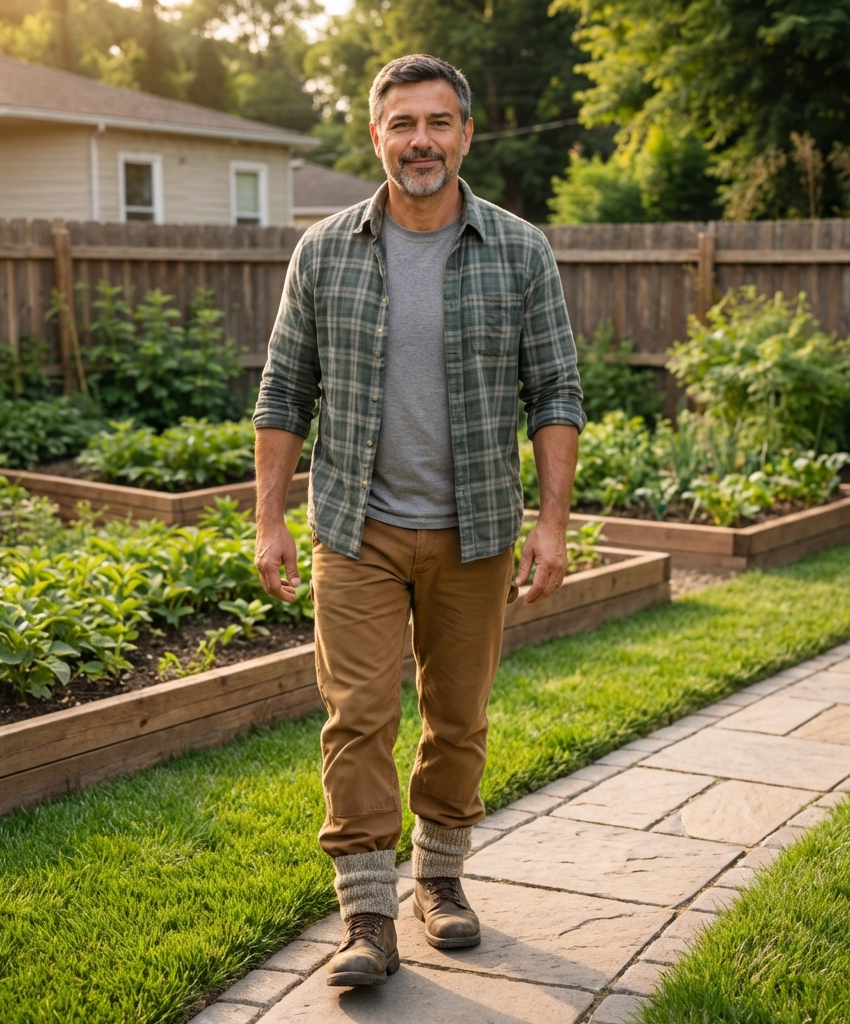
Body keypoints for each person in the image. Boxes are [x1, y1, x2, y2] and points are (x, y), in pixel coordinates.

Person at [252, 53, 585, 988]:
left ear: (466, 135)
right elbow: (284, 390)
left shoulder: (519, 250)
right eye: (402, 123)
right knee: (357, 717)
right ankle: (367, 914)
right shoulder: (325, 251)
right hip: (354, 524)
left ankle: (439, 881)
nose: (421, 141)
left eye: (438, 122)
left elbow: (556, 391)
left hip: (474, 529)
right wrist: (269, 520)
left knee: (457, 717)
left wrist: (552, 524)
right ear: (377, 136)